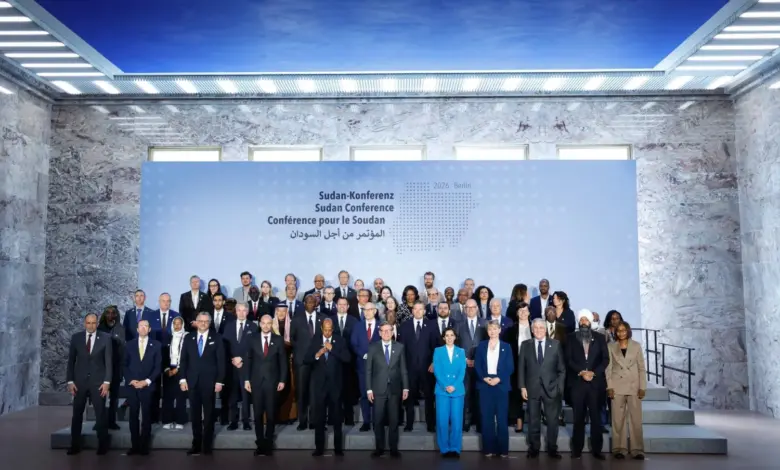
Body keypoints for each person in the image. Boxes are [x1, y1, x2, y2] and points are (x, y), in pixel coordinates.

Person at [179, 312, 226, 456]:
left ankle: (207, 445)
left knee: (209, 414)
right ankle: (196, 444)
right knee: (195, 414)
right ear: (196, 322)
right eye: (200, 321)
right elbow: (183, 360)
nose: (203, 323)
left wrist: (219, 381)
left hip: (209, 382)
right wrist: (182, 379)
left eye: (206, 321)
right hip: (192, 381)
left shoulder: (217, 338)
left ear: (209, 323)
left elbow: (221, 362)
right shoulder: (188, 337)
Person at [518, 318, 566, 459]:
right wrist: (522, 387)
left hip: (551, 389)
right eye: (536, 328)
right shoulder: (525, 345)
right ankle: (534, 448)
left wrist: (559, 388)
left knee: (552, 421)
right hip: (532, 389)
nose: (538, 330)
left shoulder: (555, 344)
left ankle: (552, 448)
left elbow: (562, 369)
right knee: (533, 420)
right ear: (532, 330)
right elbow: (521, 368)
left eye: (541, 327)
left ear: (546, 330)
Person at [65, 313, 112, 455]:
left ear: (97, 323)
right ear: (84, 323)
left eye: (93, 323)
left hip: (98, 383)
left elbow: (109, 362)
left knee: (100, 414)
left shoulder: (106, 338)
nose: (91, 325)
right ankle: (75, 445)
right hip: (79, 383)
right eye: (88, 323)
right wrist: (70, 381)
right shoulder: (76, 338)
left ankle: (102, 445)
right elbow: (71, 361)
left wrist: (107, 382)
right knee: (77, 414)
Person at [566, 309, 609, 460]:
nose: (583, 322)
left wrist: (593, 373)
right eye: (581, 320)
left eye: (586, 320)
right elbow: (568, 359)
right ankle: (576, 450)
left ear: (590, 322)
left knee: (596, 418)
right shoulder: (571, 338)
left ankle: (597, 450)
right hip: (578, 383)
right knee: (578, 418)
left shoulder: (600, 338)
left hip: (595, 384)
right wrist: (581, 372)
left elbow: (605, 359)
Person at [305, 318, 350, 456]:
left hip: (335, 386)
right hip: (319, 386)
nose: (328, 332)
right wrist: (317, 355)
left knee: (337, 418)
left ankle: (338, 448)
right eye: (325, 330)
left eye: (330, 330)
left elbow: (347, 358)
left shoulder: (340, 340)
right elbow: (306, 359)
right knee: (319, 418)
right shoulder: (315, 340)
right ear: (321, 329)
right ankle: (319, 448)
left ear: (333, 329)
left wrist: (333, 349)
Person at [244, 314, 288, 456]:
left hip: (272, 382)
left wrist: (282, 380)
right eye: (263, 323)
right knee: (257, 414)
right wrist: (246, 379)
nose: (266, 325)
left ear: (272, 324)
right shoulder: (252, 339)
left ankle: (268, 443)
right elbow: (248, 360)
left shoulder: (278, 340)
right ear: (260, 324)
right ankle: (260, 443)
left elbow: (283, 362)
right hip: (256, 382)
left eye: (269, 323)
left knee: (270, 414)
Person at [366, 321, 409, 458]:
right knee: (378, 420)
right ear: (379, 333)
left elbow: (403, 369)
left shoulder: (400, 347)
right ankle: (379, 448)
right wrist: (369, 389)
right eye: (383, 331)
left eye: (389, 330)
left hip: (395, 389)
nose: (386, 333)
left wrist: (406, 388)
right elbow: (368, 370)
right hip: (378, 389)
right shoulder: (373, 347)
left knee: (394, 420)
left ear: (392, 332)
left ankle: (393, 448)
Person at [606, 321, 647, 460]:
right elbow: (608, 368)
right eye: (618, 330)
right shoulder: (611, 346)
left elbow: (641, 368)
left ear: (628, 331)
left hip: (634, 386)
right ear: (615, 332)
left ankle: (637, 449)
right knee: (617, 419)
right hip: (617, 386)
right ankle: (619, 448)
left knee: (636, 419)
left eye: (624, 330)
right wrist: (609, 386)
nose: (621, 333)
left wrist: (642, 387)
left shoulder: (636, 346)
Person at [474, 320, 513, 458]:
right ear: (487, 331)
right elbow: (477, 365)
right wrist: (484, 378)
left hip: (501, 385)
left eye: (495, 329)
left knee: (502, 418)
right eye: (490, 329)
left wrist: (499, 378)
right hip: (485, 384)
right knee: (486, 418)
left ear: (499, 330)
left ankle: (503, 450)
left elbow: (510, 367)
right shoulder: (481, 346)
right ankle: (488, 449)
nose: (492, 331)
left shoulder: (506, 346)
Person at [123, 320, 162, 455]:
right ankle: (134, 446)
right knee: (133, 416)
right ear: (137, 329)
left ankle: (144, 446)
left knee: (146, 416)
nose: (143, 328)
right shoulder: (129, 345)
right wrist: (131, 380)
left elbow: (158, 367)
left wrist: (147, 381)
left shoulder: (156, 345)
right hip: (132, 386)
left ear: (149, 329)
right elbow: (124, 365)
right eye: (141, 326)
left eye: (146, 326)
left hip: (148, 386)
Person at [433, 327, 466, 458]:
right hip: (442, 390)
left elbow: (462, 371)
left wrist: (454, 385)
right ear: (443, 338)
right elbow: (437, 370)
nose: (449, 338)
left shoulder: (461, 351)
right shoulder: (438, 351)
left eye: (452, 335)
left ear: (455, 337)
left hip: (458, 390)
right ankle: (444, 448)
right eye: (447, 335)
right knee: (442, 421)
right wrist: (445, 385)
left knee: (457, 421)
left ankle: (455, 448)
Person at [223, 302, 256, 430]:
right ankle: (233, 421)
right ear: (235, 312)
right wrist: (232, 358)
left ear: (247, 312)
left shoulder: (253, 326)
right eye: (239, 310)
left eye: (244, 310)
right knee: (232, 395)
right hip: (232, 366)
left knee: (246, 395)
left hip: (246, 365)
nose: (241, 313)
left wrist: (241, 358)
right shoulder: (229, 326)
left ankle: (246, 421)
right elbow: (225, 345)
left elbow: (253, 347)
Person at [97, 305, 125, 430]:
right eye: (107, 312)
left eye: (113, 313)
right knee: (100, 398)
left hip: (116, 367)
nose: (110, 315)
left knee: (114, 398)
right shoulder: (100, 328)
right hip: (101, 368)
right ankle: (99, 422)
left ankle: (112, 421)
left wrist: (122, 370)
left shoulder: (120, 329)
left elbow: (123, 350)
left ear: (116, 314)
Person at [161, 316, 188, 429]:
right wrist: (167, 369)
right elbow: (164, 355)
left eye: (179, 323)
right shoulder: (168, 337)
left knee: (180, 396)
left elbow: (187, 355)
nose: (177, 326)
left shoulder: (187, 337)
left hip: (182, 368)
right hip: (169, 369)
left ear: (182, 325)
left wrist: (178, 369)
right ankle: (167, 420)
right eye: (175, 323)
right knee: (168, 396)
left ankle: (180, 421)